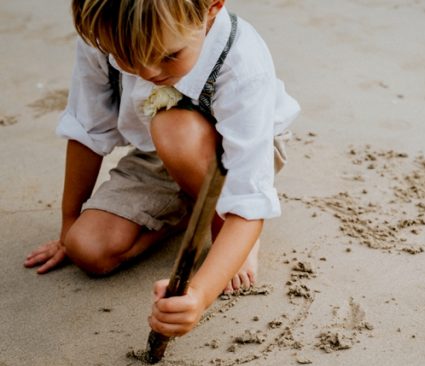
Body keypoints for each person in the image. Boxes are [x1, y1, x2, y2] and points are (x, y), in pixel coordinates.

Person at [23, 0, 300, 337]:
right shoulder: (106, 31)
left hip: (240, 158)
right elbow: (88, 130)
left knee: (174, 129)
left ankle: (226, 228)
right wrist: (68, 224)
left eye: (169, 56)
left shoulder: (242, 63)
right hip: (156, 154)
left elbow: (248, 194)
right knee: (88, 248)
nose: (148, 72)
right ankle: (185, 213)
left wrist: (198, 294)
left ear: (212, 7)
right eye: (127, 58)